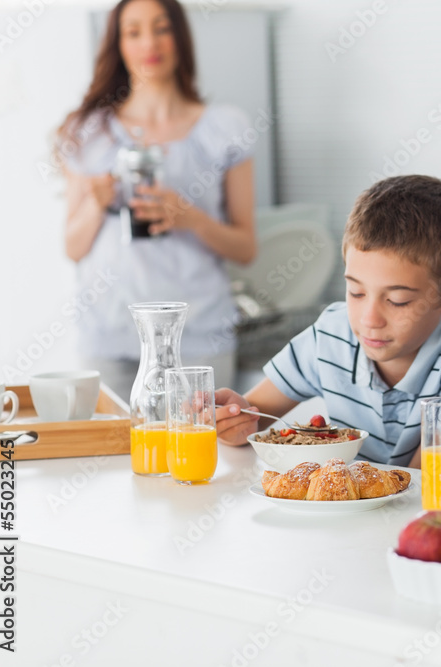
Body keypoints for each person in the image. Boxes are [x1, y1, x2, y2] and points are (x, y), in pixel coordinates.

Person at [216, 175, 441, 478]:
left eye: (398, 301)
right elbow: (253, 418)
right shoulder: (333, 333)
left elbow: (426, 484)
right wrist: (233, 420)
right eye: (356, 293)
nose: (368, 320)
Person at [56, 0, 257, 399]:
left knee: (205, 455)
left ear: (179, 37)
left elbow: (246, 249)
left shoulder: (225, 128)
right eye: (133, 32)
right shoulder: (89, 132)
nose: (150, 42)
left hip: (198, 336)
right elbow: (73, 247)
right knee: (115, 458)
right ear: (118, 44)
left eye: (161, 28)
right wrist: (95, 203)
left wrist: (191, 218)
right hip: (110, 335)